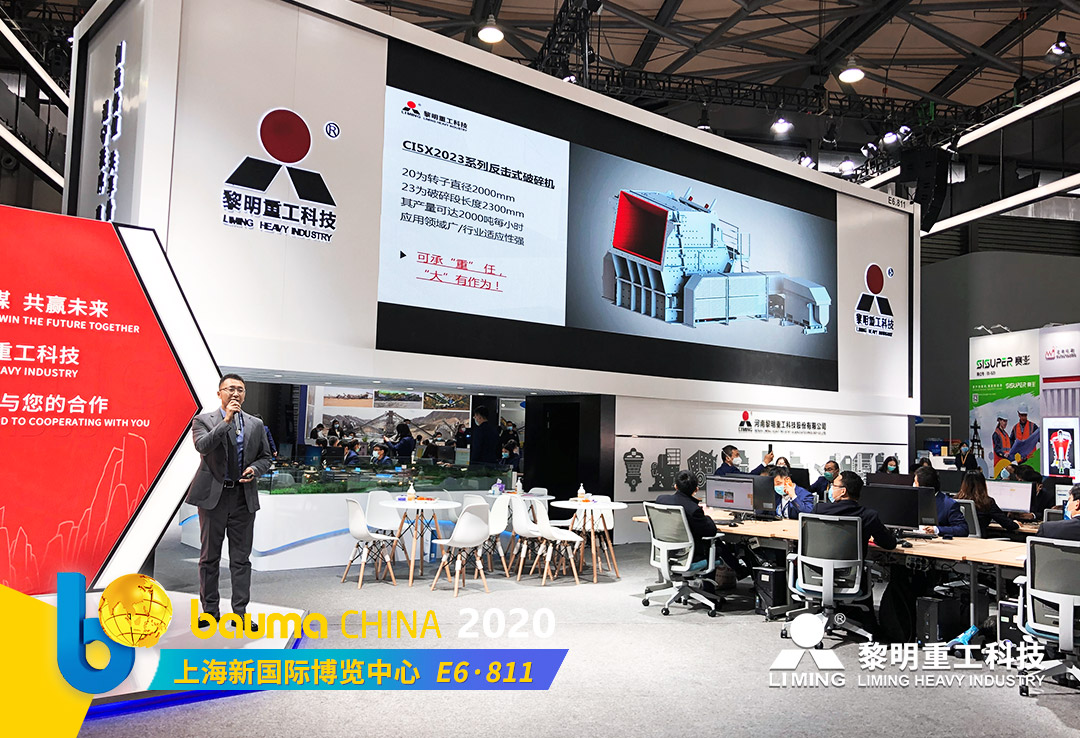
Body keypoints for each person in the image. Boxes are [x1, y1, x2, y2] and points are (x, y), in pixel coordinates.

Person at [187, 374, 272, 631]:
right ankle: (210, 611)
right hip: (213, 498)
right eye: (230, 389)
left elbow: (266, 457)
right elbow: (203, 446)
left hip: (243, 499)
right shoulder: (203, 420)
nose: (235, 393)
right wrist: (226, 421)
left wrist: (255, 469)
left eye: (240, 390)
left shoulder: (256, 424)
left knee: (241, 559)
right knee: (209, 558)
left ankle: (240, 613)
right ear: (219, 393)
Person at [813, 471, 897, 551]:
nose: (832, 488)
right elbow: (889, 544)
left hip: (818, 561)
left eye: (834, 485)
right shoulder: (869, 516)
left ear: (843, 491)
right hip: (852, 562)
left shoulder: (819, 509)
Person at [655, 471, 718, 565]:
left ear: (675, 486)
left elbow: (651, 528)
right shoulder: (693, 509)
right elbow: (711, 531)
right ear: (696, 489)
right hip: (690, 557)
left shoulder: (661, 500)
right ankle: (737, 569)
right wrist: (707, 516)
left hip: (665, 554)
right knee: (718, 546)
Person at [955, 470, 1018, 535]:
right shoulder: (987, 502)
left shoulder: (955, 500)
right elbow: (1008, 524)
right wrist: (1015, 523)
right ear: (983, 484)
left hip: (957, 538)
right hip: (979, 540)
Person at [913, 466, 968, 537]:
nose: (913, 486)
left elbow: (963, 529)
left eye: (915, 483)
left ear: (923, 487)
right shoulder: (913, 501)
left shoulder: (949, 504)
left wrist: (937, 530)